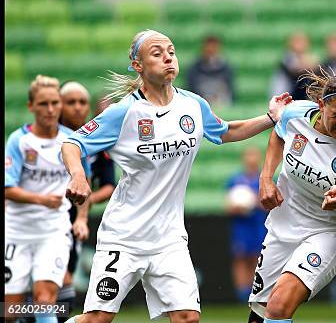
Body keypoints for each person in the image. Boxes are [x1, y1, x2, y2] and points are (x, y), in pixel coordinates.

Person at [61, 29, 292, 323]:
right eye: (157, 54)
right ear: (138, 65)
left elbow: (227, 131)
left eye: (171, 51)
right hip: (124, 236)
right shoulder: (125, 112)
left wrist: (271, 118)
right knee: (97, 319)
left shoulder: (192, 105)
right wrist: (78, 176)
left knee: (187, 318)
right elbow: (71, 143)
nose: (167, 57)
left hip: (169, 238)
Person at [247, 71, 336, 323]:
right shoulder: (295, 114)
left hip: (326, 232)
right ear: (321, 105)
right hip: (282, 225)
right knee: (260, 311)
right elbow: (278, 133)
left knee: (279, 305)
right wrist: (266, 179)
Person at [4, 75, 87, 323]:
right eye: (43, 104)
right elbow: (7, 188)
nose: (50, 110)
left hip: (53, 230)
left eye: (54, 103)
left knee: (45, 299)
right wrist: (41, 199)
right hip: (17, 231)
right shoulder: (19, 141)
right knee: (8, 311)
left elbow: (83, 181)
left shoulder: (71, 141)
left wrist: (81, 217)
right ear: (31, 106)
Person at [58, 81, 94, 322]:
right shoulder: (23, 140)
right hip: (25, 226)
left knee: (61, 284)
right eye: (71, 102)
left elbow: (88, 183)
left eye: (82, 102)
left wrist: (81, 218)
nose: (78, 108)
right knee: (11, 305)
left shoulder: (87, 143)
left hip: (64, 224)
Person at [225, 147, 268, 303]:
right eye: (249, 155)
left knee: (257, 258)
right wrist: (237, 208)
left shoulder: (265, 179)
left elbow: (271, 204)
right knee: (241, 258)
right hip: (241, 226)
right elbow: (228, 207)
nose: (251, 159)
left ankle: (254, 293)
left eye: (254, 155)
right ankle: (241, 294)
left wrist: (255, 203)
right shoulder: (235, 180)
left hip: (259, 224)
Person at [187, 35, 234, 107]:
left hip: (221, 103)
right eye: (208, 49)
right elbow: (191, 90)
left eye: (213, 48)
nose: (211, 50)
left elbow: (230, 90)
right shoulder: (194, 68)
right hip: (201, 104)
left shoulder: (226, 68)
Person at [270, 32, 318, 101]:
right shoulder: (287, 58)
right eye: (297, 41)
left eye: (302, 42)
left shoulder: (304, 58)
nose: (300, 45)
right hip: (284, 96)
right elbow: (296, 69)